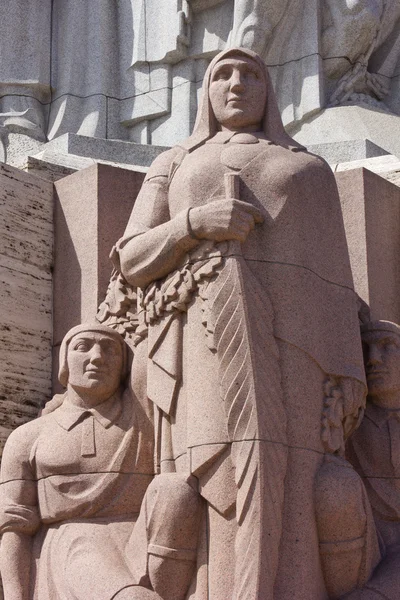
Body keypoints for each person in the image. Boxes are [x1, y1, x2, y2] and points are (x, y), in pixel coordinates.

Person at [112, 47, 366, 599]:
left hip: (300, 352)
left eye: (251, 73)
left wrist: (346, 373)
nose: (236, 84)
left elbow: (336, 285)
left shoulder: (309, 169)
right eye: (221, 74)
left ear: (270, 90)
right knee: (214, 473)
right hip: (200, 340)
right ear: (204, 91)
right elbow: (130, 259)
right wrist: (194, 224)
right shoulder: (175, 161)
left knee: (296, 485)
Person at [0, 324, 201, 600]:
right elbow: (14, 528)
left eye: (110, 350)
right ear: (65, 362)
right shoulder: (29, 437)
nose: (97, 357)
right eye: (83, 347)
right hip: (74, 546)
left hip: (141, 539)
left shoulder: (140, 415)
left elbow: (160, 340)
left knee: (175, 490)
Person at [345, 320, 400, 599]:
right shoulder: (350, 423)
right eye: (365, 349)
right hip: (367, 538)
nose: (373, 359)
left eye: (386, 347)